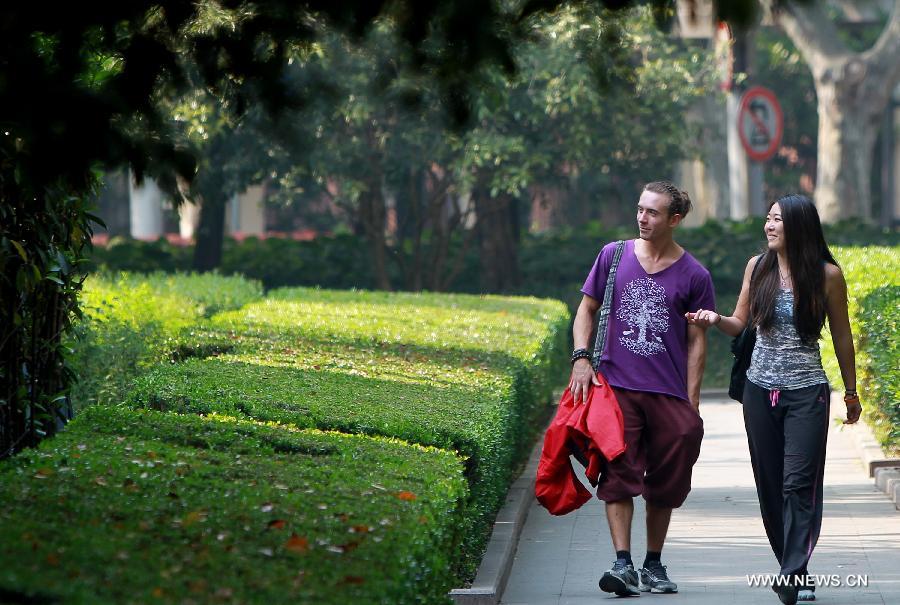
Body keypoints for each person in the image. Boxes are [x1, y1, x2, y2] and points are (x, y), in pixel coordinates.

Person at [686, 194, 862, 605]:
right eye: (767, 219)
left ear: (798, 226)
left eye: (777, 220)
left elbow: (841, 335)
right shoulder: (758, 267)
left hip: (807, 393)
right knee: (769, 484)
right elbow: (739, 323)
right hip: (759, 391)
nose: (769, 226)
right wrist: (714, 320)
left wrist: (850, 391)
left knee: (798, 484)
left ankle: (790, 572)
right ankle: (793, 566)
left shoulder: (827, 276)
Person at [570, 181, 714, 596]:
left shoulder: (694, 274)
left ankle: (653, 562)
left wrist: (692, 403)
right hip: (617, 389)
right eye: (640, 210)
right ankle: (622, 563)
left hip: (668, 393)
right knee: (618, 475)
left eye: (653, 213)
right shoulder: (613, 256)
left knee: (665, 482)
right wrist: (581, 357)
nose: (642, 218)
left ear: (675, 219)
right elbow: (587, 309)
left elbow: (697, 341)